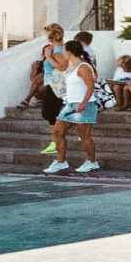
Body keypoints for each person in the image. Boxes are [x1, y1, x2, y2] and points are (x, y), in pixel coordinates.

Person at [44, 41, 103, 175]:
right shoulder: (72, 66)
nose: (62, 53)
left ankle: (92, 162)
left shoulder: (83, 67)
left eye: (64, 51)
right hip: (70, 105)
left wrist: (83, 104)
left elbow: (90, 87)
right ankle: (61, 162)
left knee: (84, 135)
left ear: (70, 52)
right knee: (58, 132)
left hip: (85, 105)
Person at [25, 22, 67, 154]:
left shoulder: (58, 50)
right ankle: (56, 141)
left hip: (55, 85)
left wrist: (49, 57)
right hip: (52, 84)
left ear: (50, 36)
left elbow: (62, 66)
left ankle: (57, 142)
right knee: (50, 114)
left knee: (49, 113)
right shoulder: (59, 48)